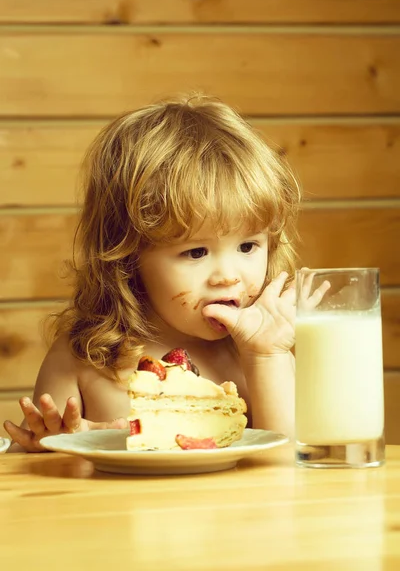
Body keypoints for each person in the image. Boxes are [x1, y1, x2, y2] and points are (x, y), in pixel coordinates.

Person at [5, 93, 303, 453]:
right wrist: (48, 448)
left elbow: (287, 466)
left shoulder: (261, 353)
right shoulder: (83, 358)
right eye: (196, 251)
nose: (229, 276)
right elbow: (32, 460)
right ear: (128, 254)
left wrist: (265, 359)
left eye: (247, 247)